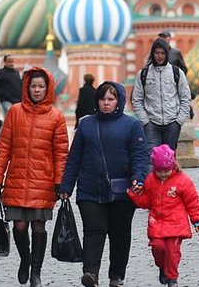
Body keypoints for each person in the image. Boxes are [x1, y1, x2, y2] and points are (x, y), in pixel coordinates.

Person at [58, 82, 150, 287]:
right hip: (90, 189)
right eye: (102, 99)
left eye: (111, 99)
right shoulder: (86, 125)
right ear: (96, 101)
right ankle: (90, 273)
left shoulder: (131, 125)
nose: (106, 103)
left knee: (120, 234)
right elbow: (75, 157)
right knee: (93, 231)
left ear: (118, 101)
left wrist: (138, 178)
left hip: (123, 191)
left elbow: (140, 155)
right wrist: (66, 186)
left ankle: (116, 275)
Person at [0, 67, 69, 287]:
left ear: (48, 89)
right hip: (17, 178)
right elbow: (4, 146)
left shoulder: (56, 117)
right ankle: (25, 260)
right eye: (33, 86)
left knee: (38, 226)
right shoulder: (15, 112)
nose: (37, 90)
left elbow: (61, 153)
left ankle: (36, 270)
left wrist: (59, 182)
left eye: (41, 86)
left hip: (42, 180)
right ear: (27, 87)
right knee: (19, 227)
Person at [128, 145, 199, 287]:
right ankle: (162, 267)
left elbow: (192, 202)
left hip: (176, 224)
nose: (163, 174)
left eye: (166, 171)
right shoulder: (151, 180)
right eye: (159, 171)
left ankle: (172, 279)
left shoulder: (183, 181)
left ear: (173, 166)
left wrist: (197, 220)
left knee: (172, 252)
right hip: (157, 223)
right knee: (157, 248)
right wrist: (135, 194)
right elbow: (146, 202)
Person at [132, 38, 191, 151]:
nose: (160, 56)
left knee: (168, 159)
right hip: (151, 124)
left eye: (162, 53)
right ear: (152, 54)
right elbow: (137, 99)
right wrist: (145, 121)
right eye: (157, 53)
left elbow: (185, 97)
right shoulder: (143, 74)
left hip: (172, 123)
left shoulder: (177, 73)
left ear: (167, 54)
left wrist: (179, 120)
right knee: (152, 157)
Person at [0, 54, 22, 145]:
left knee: (15, 122)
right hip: (6, 101)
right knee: (9, 120)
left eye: (12, 61)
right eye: (9, 62)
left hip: (17, 101)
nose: (11, 63)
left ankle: (7, 140)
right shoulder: (1, 73)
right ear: (5, 62)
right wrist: (4, 94)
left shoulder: (16, 73)